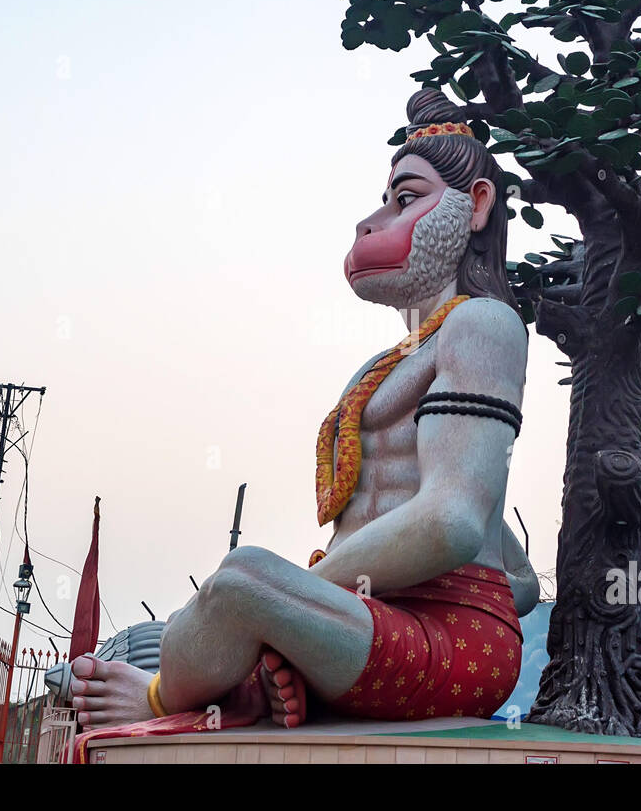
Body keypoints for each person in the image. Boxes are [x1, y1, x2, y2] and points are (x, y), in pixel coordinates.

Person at [70, 89, 536, 729]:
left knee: (240, 580)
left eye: (406, 200)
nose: (370, 223)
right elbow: (495, 538)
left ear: (477, 204)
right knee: (245, 591)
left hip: (452, 639)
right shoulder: (393, 360)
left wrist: (309, 590)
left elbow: (454, 522)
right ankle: (256, 677)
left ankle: (159, 695)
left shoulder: (485, 324)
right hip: (371, 620)